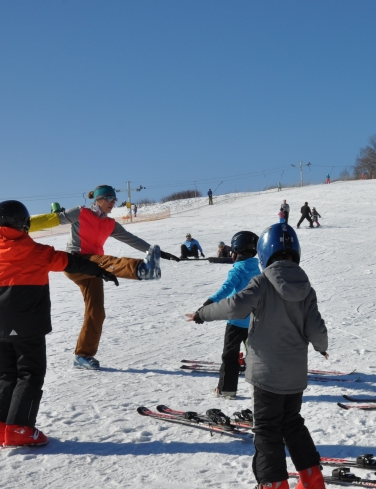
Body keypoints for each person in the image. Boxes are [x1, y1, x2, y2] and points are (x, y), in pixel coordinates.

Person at [187, 224, 329, 489]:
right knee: (292, 422)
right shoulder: (306, 288)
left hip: (266, 375)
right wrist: (321, 346)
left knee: (266, 429)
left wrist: (202, 314)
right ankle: (312, 478)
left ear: (265, 253)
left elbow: (233, 306)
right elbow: (316, 328)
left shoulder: (262, 282)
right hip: (295, 376)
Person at [1, 200, 119, 447]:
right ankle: (19, 429)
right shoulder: (37, 252)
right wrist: (100, 271)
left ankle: (3, 426)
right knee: (29, 373)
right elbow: (70, 262)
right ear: (24, 224)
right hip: (28, 327)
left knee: (5, 374)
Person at [29, 185, 178, 370]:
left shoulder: (110, 224)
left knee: (96, 311)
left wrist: (156, 252)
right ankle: (141, 269)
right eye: (108, 199)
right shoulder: (81, 212)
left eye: (114, 199)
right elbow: (53, 219)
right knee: (106, 261)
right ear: (97, 200)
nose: (112, 203)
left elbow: (130, 238)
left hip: (93, 269)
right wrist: (21, 225)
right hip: (76, 261)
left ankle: (82, 355)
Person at [196, 231, 261, 399]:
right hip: (253, 321)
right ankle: (261, 389)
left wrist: (207, 305)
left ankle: (226, 389)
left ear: (237, 251)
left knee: (230, 355)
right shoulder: (257, 269)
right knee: (255, 354)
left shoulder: (237, 270)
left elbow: (225, 290)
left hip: (236, 322)